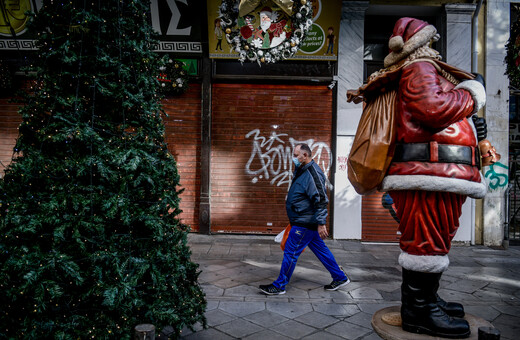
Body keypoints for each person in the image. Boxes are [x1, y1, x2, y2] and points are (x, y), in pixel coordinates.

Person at [349, 17, 488, 338]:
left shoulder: (423, 69)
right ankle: (419, 310)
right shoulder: (420, 68)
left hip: (437, 173)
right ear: (421, 42)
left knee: (436, 239)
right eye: (431, 39)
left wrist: (469, 125)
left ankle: (427, 299)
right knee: (427, 240)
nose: (435, 45)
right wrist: (473, 95)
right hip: (426, 174)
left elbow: (436, 114)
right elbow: (433, 108)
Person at [259, 143, 350, 295]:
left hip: (305, 222)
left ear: (305, 155)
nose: (293, 158)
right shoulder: (302, 169)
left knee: (290, 252)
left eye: (296, 155)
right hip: (304, 220)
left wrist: (321, 223)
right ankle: (340, 277)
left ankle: (280, 285)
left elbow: (321, 199)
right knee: (321, 250)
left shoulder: (313, 173)